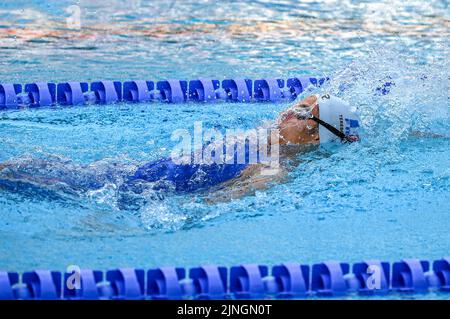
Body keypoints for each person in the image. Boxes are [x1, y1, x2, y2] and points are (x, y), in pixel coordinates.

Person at [0, 94, 361, 206]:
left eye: (301, 113)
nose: (287, 111)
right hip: (130, 173)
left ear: (315, 136)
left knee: (19, 175)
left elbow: (208, 204)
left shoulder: (273, 167)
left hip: (133, 192)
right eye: (297, 104)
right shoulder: (259, 137)